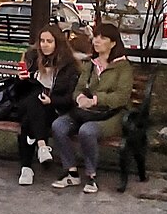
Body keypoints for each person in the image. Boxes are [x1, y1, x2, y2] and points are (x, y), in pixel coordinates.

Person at [53, 23, 133, 195]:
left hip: (111, 115)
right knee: (58, 126)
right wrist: (80, 98)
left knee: (87, 131)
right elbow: (79, 88)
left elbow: (121, 97)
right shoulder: (90, 64)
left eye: (102, 38)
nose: (96, 41)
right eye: (95, 37)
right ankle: (71, 172)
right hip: (86, 112)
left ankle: (91, 175)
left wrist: (95, 100)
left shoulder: (122, 67)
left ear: (113, 43)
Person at [16, 23, 79, 186]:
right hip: (31, 105)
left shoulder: (69, 65)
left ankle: (26, 168)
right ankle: (42, 145)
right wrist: (22, 79)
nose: (44, 45)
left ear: (58, 43)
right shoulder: (32, 57)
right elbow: (21, 91)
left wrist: (52, 100)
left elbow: (70, 97)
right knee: (34, 99)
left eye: (49, 41)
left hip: (55, 108)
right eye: (42, 41)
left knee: (28, 122)